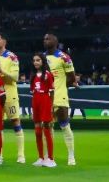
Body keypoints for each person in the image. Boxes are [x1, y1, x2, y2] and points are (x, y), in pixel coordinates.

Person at [0, 32, 25, 163]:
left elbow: (15, 78)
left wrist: (1, 70)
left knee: (15, 122)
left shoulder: (12, 57)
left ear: (4, 42)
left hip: (9, 94)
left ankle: (21, 155)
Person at [43, 33, 77, 165]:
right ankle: (49, 156)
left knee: (64, 124)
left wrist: (61, 85)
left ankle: (71, 156)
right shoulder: (42, 57)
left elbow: (71, 77)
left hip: (60, 95)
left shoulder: (64, 57)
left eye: (48, 39)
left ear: (55, 41)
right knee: (47, 125)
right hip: (46, 97)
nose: (45, 41)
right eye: (44, 39)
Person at [30, 53, 56, 167]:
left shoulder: (48, 75)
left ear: (43, 61)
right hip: (35, 102)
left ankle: (50, 159)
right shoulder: (33, 76)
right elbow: (33, 92)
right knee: (37, 131)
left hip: (45, 100)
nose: (35, 62)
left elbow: (52, 91)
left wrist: (51, 106)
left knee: (46, 130)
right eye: (34, 60)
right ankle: (40, 157)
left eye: (38, 60)